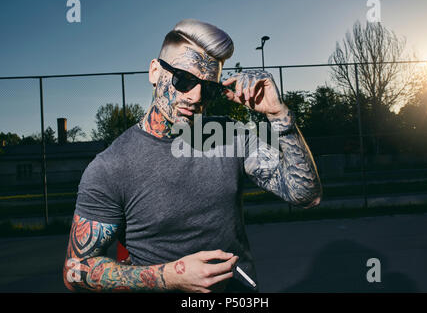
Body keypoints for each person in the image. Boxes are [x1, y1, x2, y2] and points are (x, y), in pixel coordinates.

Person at [63, 19, 322, 293]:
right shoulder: (111, 166)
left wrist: (278, 115)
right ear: (154, 71)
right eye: (184, 80)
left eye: (208, 88)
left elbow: (306, 195)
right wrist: (170, 276)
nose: (196, 96)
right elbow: (75, 272)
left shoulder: (229, 135)